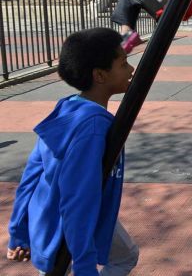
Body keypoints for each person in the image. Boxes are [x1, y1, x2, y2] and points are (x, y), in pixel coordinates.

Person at [6, 27, 139, 275]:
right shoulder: (93, 127)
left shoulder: (67, 108)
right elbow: (79, 198)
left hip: (50, 219)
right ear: (100, 75)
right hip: (65, 227)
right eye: (123, 64)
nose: (131, 70)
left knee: (126, 254)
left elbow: (32, 174)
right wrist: (85, 265)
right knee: (120, 258)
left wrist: (18, 231)